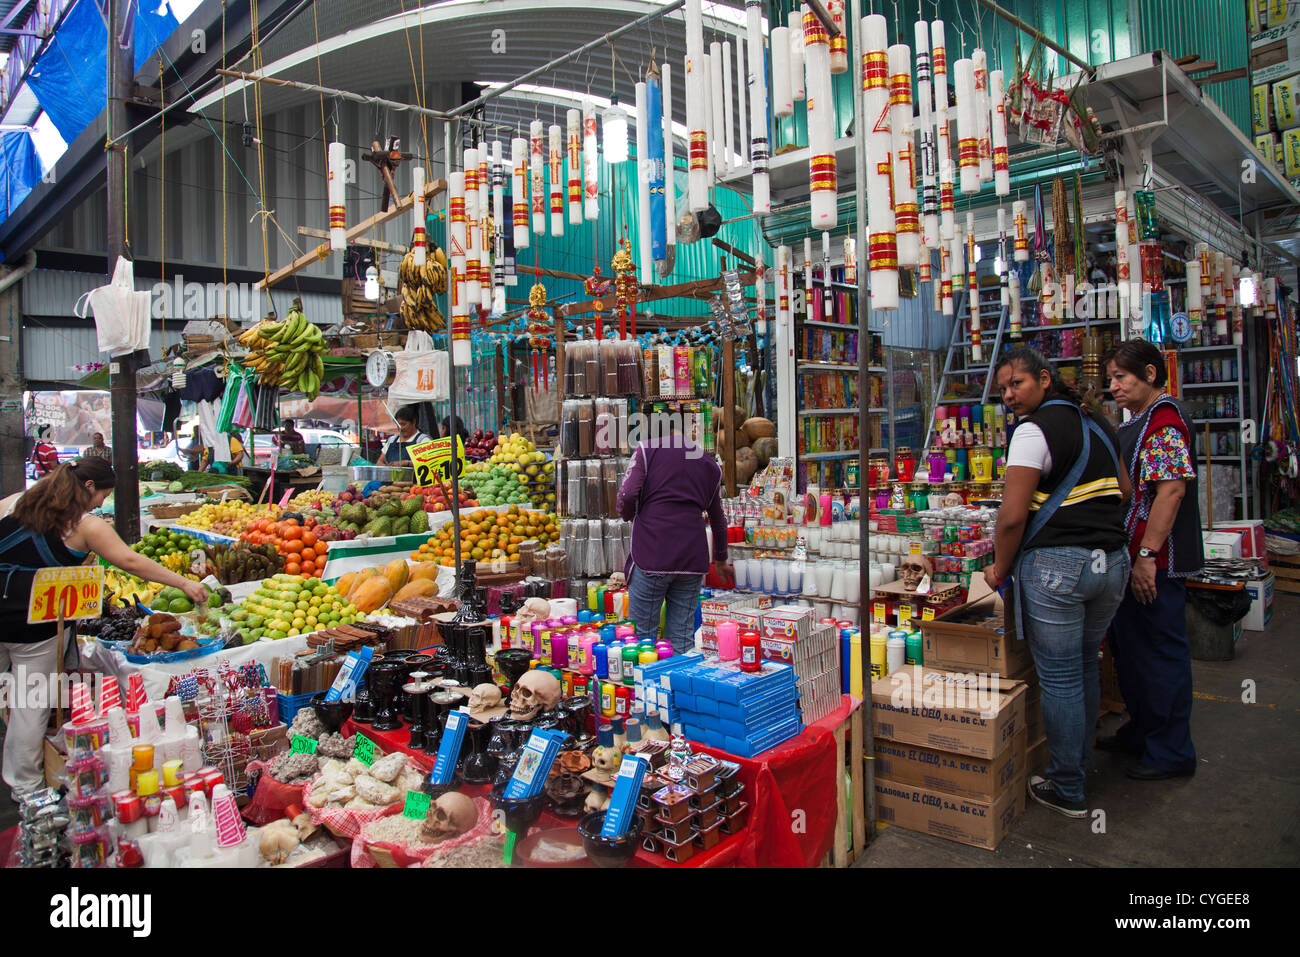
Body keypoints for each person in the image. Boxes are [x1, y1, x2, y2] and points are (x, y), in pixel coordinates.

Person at [0, 459, 208, 800]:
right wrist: (183, 582)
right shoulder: (83, 525)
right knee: (29, 703)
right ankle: (25, 788)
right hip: (34, 625)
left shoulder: (16, 501)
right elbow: (129, 561)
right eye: (103, 494)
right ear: (87, 487)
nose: (101, 502)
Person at [983, 346, 1132, 820]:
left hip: (1056, 570)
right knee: (1086, 665)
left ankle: (1068, 787)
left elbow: (1010, 519)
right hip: (1110, 563)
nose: (1009, 395)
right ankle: (1079, 767)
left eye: (1017, 384)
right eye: (1003, 389)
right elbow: (1125, 491)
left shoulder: (1032, 432)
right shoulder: (1098, 423)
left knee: (1062, 679)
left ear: (1045, 380)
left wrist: (998, 570)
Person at [1102, 340, 1203, 781]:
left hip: (1157, 563)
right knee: (1133, 652)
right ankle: (1143, 733)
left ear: (1148, 373)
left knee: (1159, 654)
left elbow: (1171, 491)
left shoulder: (1163, 422)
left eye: (1121, 377)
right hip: (1136, 558)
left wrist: (1146, 556)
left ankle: (1171, 751)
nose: (1114, 387)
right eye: (1111, 379)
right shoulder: (1138, 422)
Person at [616, 415, 731, 654]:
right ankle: (677, 688)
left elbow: (627, 495)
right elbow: (718, 519)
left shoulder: (648, 451)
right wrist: (721, 559)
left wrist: (629, 514)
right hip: (691, 561)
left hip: (652, 554)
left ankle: (644, 691)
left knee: (641, 643)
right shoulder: (709, 465)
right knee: (681, 640)